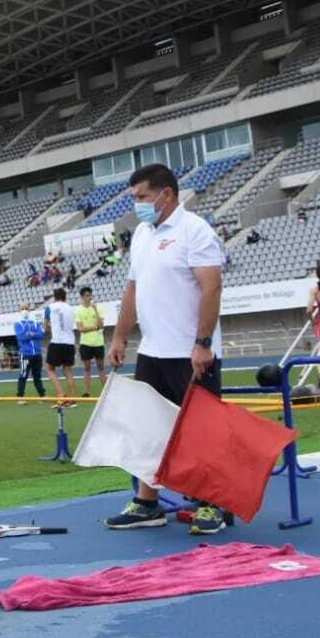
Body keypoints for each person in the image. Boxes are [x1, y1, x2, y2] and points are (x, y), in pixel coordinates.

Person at [104, 164, 228, 536]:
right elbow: (132, 290)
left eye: (142, 197)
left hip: (190, 353)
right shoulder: (143, 233)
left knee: (201, 431)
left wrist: (202, 343)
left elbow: (212, 288)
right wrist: (121, 336)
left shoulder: (195, 230)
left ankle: (210, 504)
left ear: (166, 195)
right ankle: (147, 502)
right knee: (149, 430)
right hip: (153, 351)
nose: (137, 205)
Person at [43, 288, 78, 404]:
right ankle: (74, 398)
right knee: (68, 370)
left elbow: (46, 327)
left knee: (50, 368)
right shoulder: (71, 308)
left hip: (57, 341)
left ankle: (61, 394)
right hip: (69, 342)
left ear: (54, 297)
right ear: (65, 297)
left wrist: (51, 325)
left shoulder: (50, 308)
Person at [74, 286, 106, 397]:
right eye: (87, 295)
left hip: (98, 343)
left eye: (90, 295)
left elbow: (101, 325)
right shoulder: (79, 311)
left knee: (101, 367)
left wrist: (96, 310)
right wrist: (94, 327)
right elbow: (80, 329)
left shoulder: (98, 308)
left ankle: (105, 392)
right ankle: (87, 392)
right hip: (85, 344)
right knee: (87, 368)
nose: (89, 297)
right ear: (82, 297)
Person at [13, 304, 46, 405]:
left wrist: (31, 334)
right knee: (23, 375)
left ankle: (42, 396)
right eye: (22, 308)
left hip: (37, 353)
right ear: (19, 310)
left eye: (26, 308)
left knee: (37, 376)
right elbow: (21, 337)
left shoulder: (35, 322)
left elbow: (41, 334)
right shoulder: (17, 323)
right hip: (25, 354)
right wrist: (33, 334)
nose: (24, 310)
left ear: (30, 309)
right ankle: (20, 397)